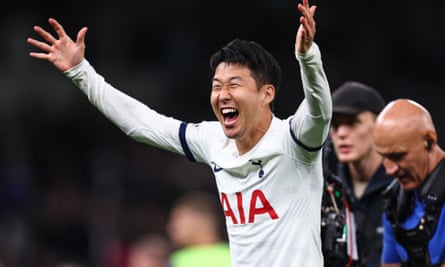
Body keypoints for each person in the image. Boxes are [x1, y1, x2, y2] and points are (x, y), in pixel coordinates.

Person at [26, 0, 332, 265]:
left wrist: (307, 58)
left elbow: (319, 109)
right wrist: (81, 72)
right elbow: (143, 124)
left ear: (266, 94)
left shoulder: (295, 140)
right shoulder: (214, 141)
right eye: (216, 86)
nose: (222, 95)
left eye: (234, 85)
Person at [321, 81, 394, 267]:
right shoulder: (326, 194)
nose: (342, 134)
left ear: (380, 125)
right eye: (335, 125)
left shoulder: (405, 189)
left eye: (352, 123)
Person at [373, 99, 445, 267]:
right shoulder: (394, 203)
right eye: (384, 157)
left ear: (429, 141)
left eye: (398, 156)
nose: (389, 170)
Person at [166, 191, 230, 267]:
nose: (170, 226)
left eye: (178, 218)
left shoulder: (178, 261)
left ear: (199, 218)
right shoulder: (237, 254)